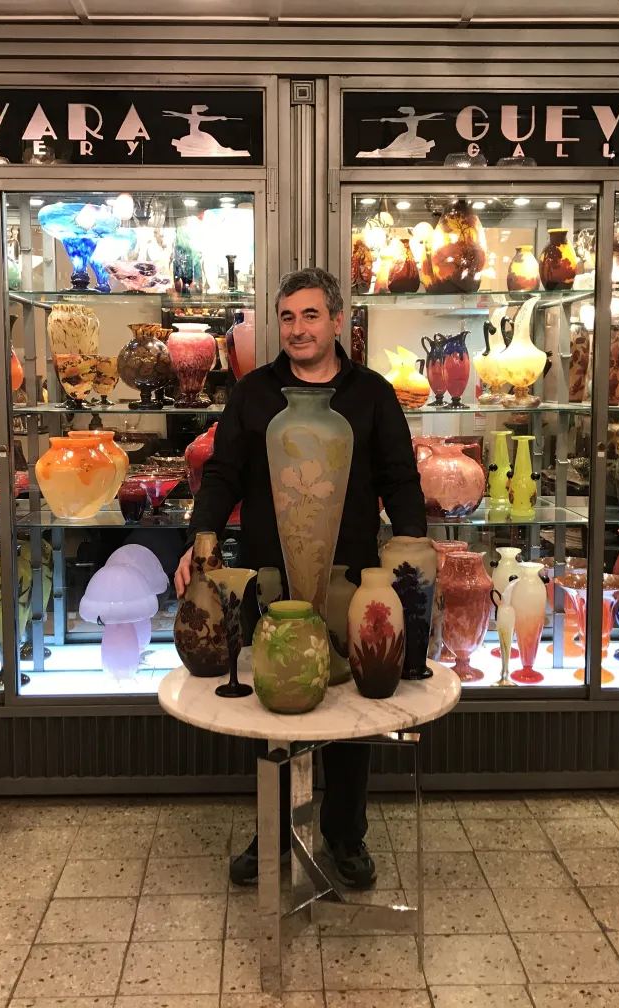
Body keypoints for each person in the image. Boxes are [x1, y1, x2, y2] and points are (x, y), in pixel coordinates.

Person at [177, 266, 427, 889]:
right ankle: (275, 834)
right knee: (275, 703)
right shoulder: (254, 393)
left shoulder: (372, 394)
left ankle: (346, 836)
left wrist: (415, 554)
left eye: (311, 316)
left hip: (349, 570)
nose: (297, 329)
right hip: (269, 569)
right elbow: (222, 473)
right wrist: (199, 541)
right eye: (287, 318)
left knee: (346, 706)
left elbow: (400, 478)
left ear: (337, 322)